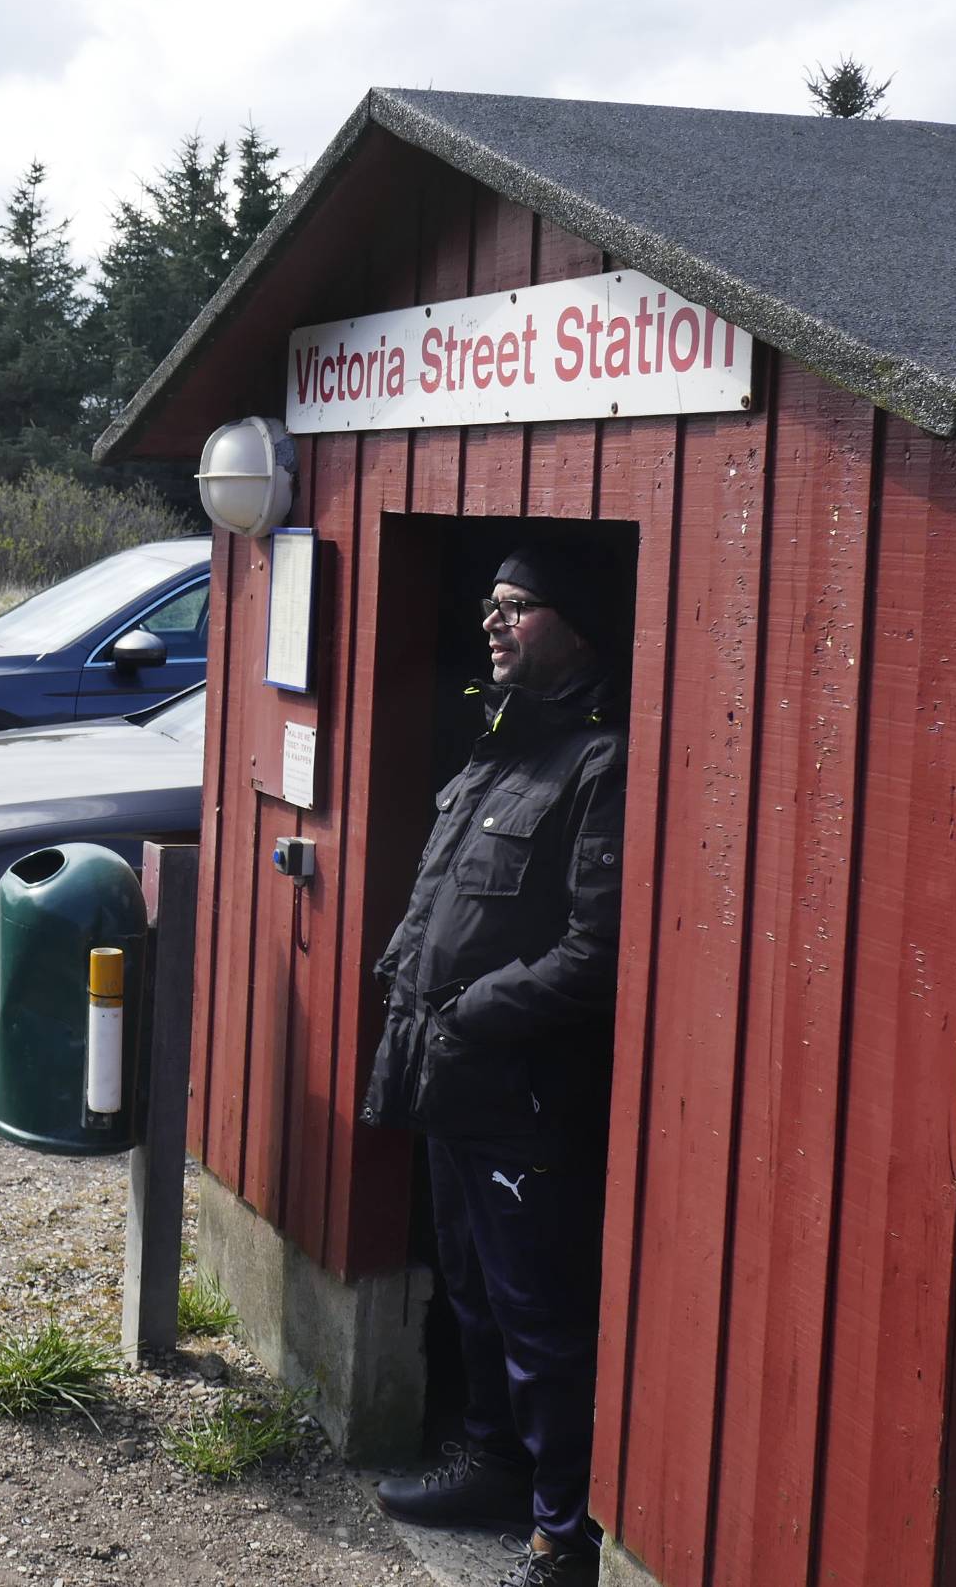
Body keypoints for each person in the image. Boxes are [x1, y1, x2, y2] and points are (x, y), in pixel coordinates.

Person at [362, 541, 628, 1587]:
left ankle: (560, 1535)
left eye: (515, 606)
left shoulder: (601, 762)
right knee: (469, 1289)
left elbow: (594, 950)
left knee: (538, 1318)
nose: (491, 621)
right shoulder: (500, 745)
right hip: (450, 1076)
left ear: (577, 625)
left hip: (520, 1090)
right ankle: (491, 1463)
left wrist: (471, 1012)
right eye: (488, 603)